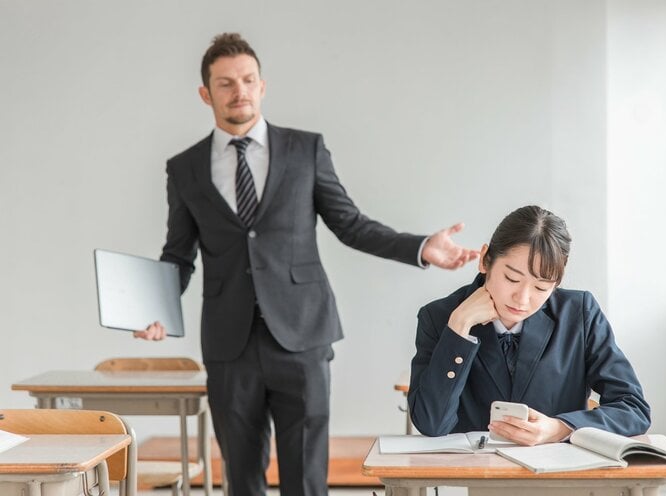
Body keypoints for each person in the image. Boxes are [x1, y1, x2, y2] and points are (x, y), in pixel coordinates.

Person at [134, 33, 478, 495]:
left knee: (306, 477)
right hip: (228, 342)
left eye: (248, 80)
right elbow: (178, 253)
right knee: (242, 475)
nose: (239, 91)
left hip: (302, 337)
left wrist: (420, 247)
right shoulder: (185, 168)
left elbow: (351, 224)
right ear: (205, 93)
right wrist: (152, 307)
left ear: (262, 85)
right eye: (225, 83)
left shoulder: (305, 150)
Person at [408, 205, 651, 446]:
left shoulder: (579, 313)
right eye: (512, 279)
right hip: (471, 479)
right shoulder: (439, 317)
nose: (522, 299)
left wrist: (560, 428)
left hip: (561, 477)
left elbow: (633, 408)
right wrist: (458, 330)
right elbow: (432, 424)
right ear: (485, 260)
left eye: (541, 287)